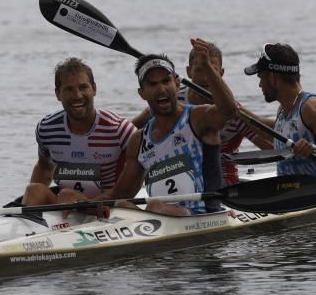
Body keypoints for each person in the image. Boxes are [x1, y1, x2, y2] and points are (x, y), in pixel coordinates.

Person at [101, 39, 238, 216]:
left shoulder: (198, 118)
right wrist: (78, 203)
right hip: (161, 217)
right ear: (141, 93)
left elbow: (229, 110)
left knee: (154, 206)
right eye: (152, 84)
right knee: (121, 204)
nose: (161, 89)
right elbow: (120, 194)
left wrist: (206, 66)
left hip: (203, 215)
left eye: (166, 81)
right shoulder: (139, 141)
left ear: (177, 84)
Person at [131, 41, 272, 184]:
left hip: (223, 186)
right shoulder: (171, 99)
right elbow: (126, 131)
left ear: (220, 74)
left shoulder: (233, 113)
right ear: (188, 72)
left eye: (210, 70)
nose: (205, 78)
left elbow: (272, 147)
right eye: (199, 70)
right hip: (177, 181)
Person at [22, 58, 136, 207]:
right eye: (69, 89)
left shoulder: (120, 129)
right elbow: (44, 167)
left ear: (94, 89)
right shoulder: (47, 128)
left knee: (67, 195)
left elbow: (141, 172)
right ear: (58, 94)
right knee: (33, 190)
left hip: (108, 206)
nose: (77, 95)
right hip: (66, 204)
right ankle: (28, 225)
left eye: (83, 87)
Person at [243, 43, 316, 189]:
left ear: (273, 78)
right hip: (292, 195)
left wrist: (314, 150)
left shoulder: (312, 107)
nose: (260, 85)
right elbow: (278, 134)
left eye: (261, 77)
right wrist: (238, 114)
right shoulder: (283, 110)